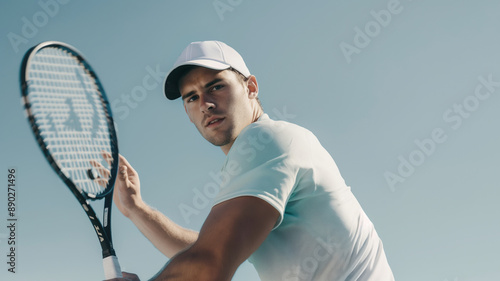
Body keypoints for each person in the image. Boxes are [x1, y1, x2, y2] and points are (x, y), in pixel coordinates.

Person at [108, 41, 395, 281]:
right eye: (191, 97)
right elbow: (207, 247)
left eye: (216, 86)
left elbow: (211, 261)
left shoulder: (267, 140)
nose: (205, 104)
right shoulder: (257, 154)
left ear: (251, 87)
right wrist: (136, 209)